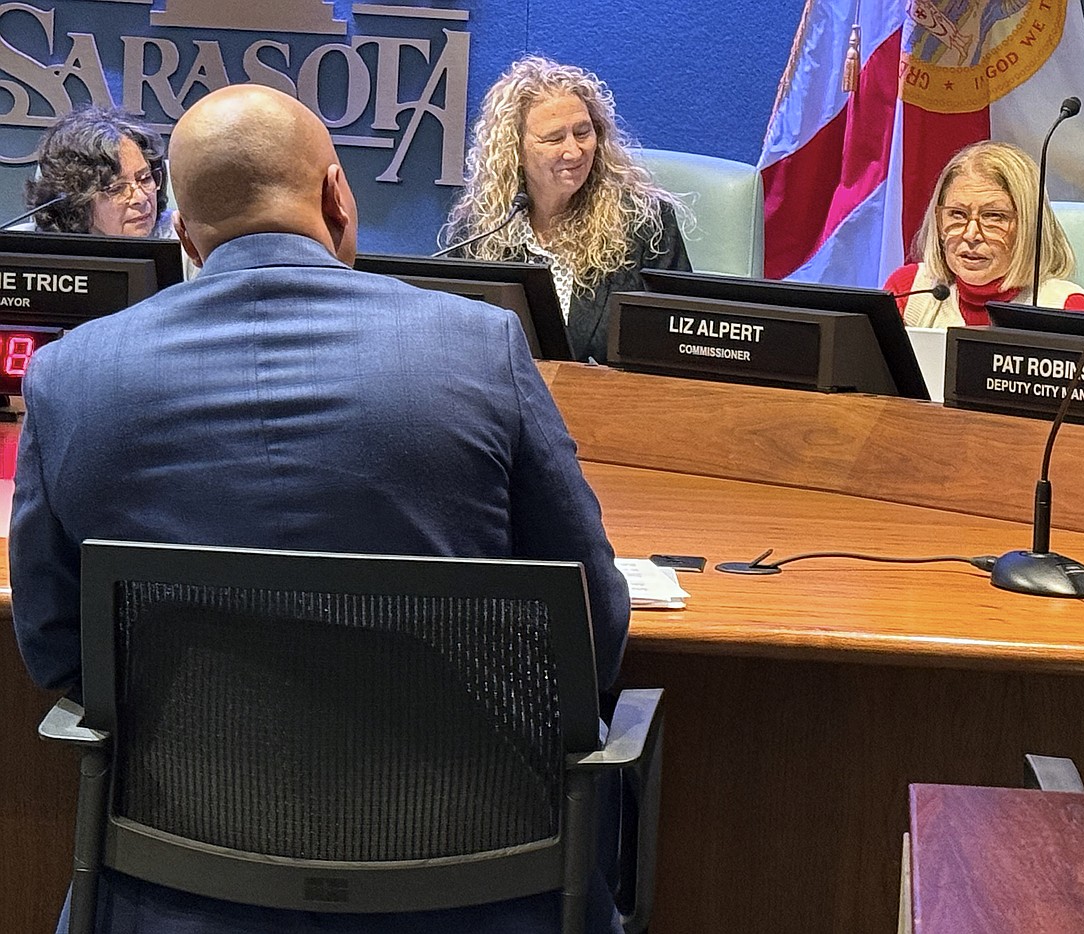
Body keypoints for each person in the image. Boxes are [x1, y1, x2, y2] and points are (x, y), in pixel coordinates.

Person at [11, 84, 630, 934]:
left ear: (183, 235)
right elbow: (592, 623)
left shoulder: (69, 377)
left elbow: (52, 645)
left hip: (176, 889)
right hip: (476, 885)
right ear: (339, 195)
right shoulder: (481, 347)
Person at [441, 56, 692, 363]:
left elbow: (677, 341)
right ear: (515, 150)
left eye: (583, 133)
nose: (573, 151)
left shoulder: (645, 223)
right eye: (554, 138)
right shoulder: (479, 230)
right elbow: (454, 340)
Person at [885, 140, 1084, 327]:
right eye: (957, 214)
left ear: (1029, 227)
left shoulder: (1064, 306)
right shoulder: (909, 290)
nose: (971, 234)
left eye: (993, 216)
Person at [24, 105, 174, 237]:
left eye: (145, 178)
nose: (140, 199)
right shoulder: (26, 253)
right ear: (76, 205)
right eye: (117, 189)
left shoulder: (184, 241)